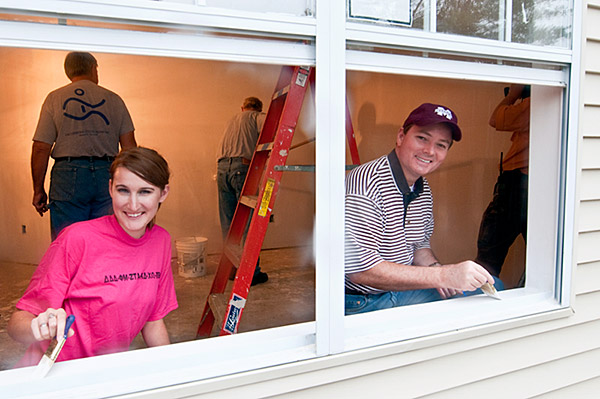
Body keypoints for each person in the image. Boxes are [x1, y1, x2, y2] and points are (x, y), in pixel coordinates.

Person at [8, 147, 177, 368]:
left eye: (145, 192)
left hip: (103, 374)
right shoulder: (78, 238)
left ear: (163, 193)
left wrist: (172, 370)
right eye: (123, 190)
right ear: (110, 189)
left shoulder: (160, 242)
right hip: (52, 373)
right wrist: (38, 327)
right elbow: (16, 325)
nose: (133, 205)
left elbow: (153, 321)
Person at [345, 103, 503, 315]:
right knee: (476, 305)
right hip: (364, 300)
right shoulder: (366, 184)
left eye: (441, 145)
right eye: (422, 138)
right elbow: (361, 270)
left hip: (398, 291)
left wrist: (438, 271)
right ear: (401, 136)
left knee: (493, 288)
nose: (430, 151)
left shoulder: (421, 186)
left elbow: (419, 246)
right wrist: (444, 276)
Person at [31, 51, 137, 241]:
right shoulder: (114, 99)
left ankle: (72, 271)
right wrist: (130, 186)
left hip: (68, 174)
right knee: (106, 238)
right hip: (108, 172)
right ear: (93, 68)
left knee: (68, 241)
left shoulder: (54, 98)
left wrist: (38, 189)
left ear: (68, 72)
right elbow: (129, 149)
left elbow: (41, 148)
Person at [475, 84, 530, 283]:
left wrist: (514, 95)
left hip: (518, 185)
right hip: (528, 184)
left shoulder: (535, 105)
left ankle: (481, 296)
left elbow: (496, 117)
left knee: (489, 256)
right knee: (542, 258)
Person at [216, 96, 268, 286]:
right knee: (248, 222)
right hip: (242, 169)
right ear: (257, 108)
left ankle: (231, 268)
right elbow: (272, 130)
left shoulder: (232, 120)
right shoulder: (257, 116)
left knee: (229, 223)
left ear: (242, 107)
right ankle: (251, 273)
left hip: (222, 170)